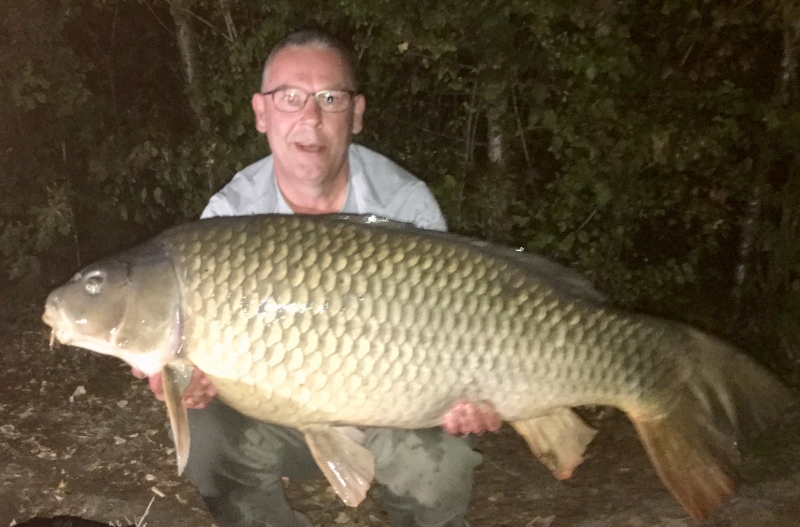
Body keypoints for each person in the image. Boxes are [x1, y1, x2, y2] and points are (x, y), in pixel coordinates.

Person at [134, 30, 499, 527]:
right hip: (279, 414)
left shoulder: (404, 204)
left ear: (357, 112)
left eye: (330, 98)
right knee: (208, 436)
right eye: (290, 98)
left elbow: (456, 330)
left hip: (394, 407)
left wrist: (468, 397)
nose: (311, 117)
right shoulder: (227, 217)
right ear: (262, 113)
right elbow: (204, 379)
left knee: (441, 463)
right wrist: (195, 384)